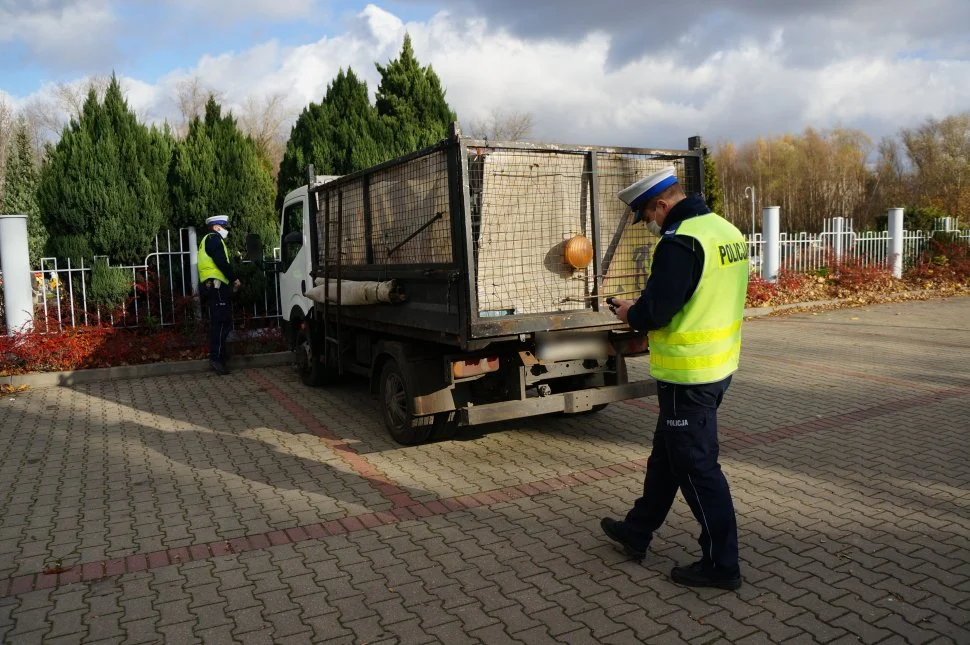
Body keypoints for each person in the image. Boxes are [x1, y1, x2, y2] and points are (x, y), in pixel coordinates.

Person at [601, 166, 749, 591]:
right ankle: (637, 529)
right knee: (667, 455)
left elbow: (658, 312)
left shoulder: (679, 241)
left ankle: (722, 565)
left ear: (663, 204)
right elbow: (702, 293)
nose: (650, 224)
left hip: (689, 375)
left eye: (649, 215)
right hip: (718, 367)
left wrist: (633, 312)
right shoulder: (724, 231)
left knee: (698, 468)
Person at [198, 214, 240, 375]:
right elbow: (221, 262)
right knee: (222, 323)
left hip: (213, 286)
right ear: (217, 227)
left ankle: (220, 356)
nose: (225, 230)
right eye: (224, 227)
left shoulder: (206, 240)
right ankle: (217, 358)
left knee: (219, 323)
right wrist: (234, 279)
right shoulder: (214, 239)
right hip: (217, 286)